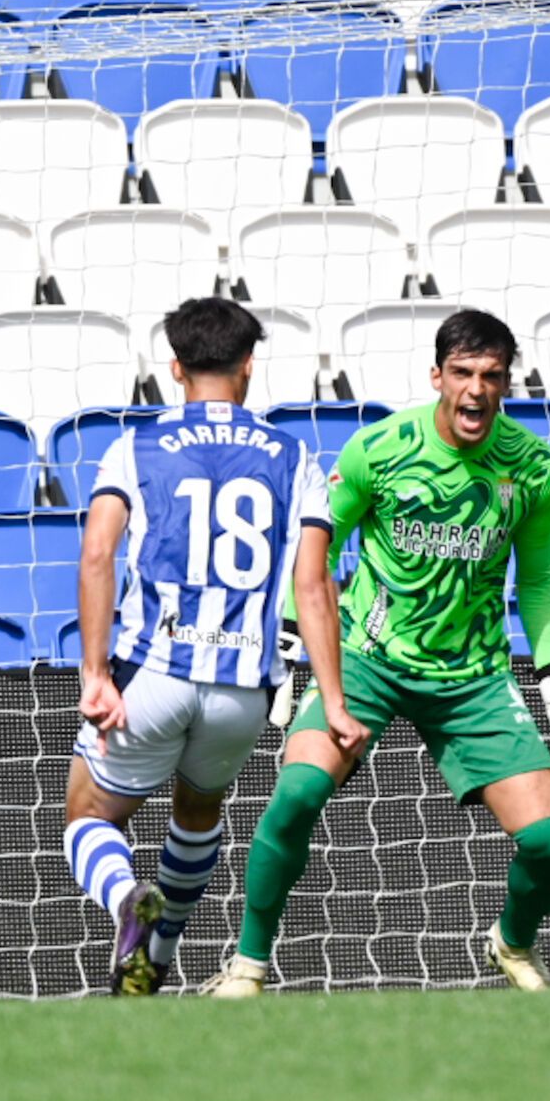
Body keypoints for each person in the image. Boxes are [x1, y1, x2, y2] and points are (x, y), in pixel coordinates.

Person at [203, 309, 550, 998]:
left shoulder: (533, 467)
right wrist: (292, 645)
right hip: (366, 656)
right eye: (462, 373)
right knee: (297, 793)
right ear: (436, 376)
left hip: (473, 674)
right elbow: (316, 550)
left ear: (507, 381)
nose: (476, 390)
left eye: (491, 376)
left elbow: (537, 578)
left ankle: (510, 943)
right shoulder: (379, 448)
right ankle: (247, 965)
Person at [63, 297, 369, 996]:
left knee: (87, 813)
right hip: (243, 688)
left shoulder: (135, 446)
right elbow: (314, 584)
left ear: (174, 366)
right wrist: (336, 699)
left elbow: (96, 556)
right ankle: (160, 952)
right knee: (197, 810)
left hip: (154, 672)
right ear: (249, 367)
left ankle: (124, 904)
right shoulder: (294, 456)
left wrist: (95, 672)